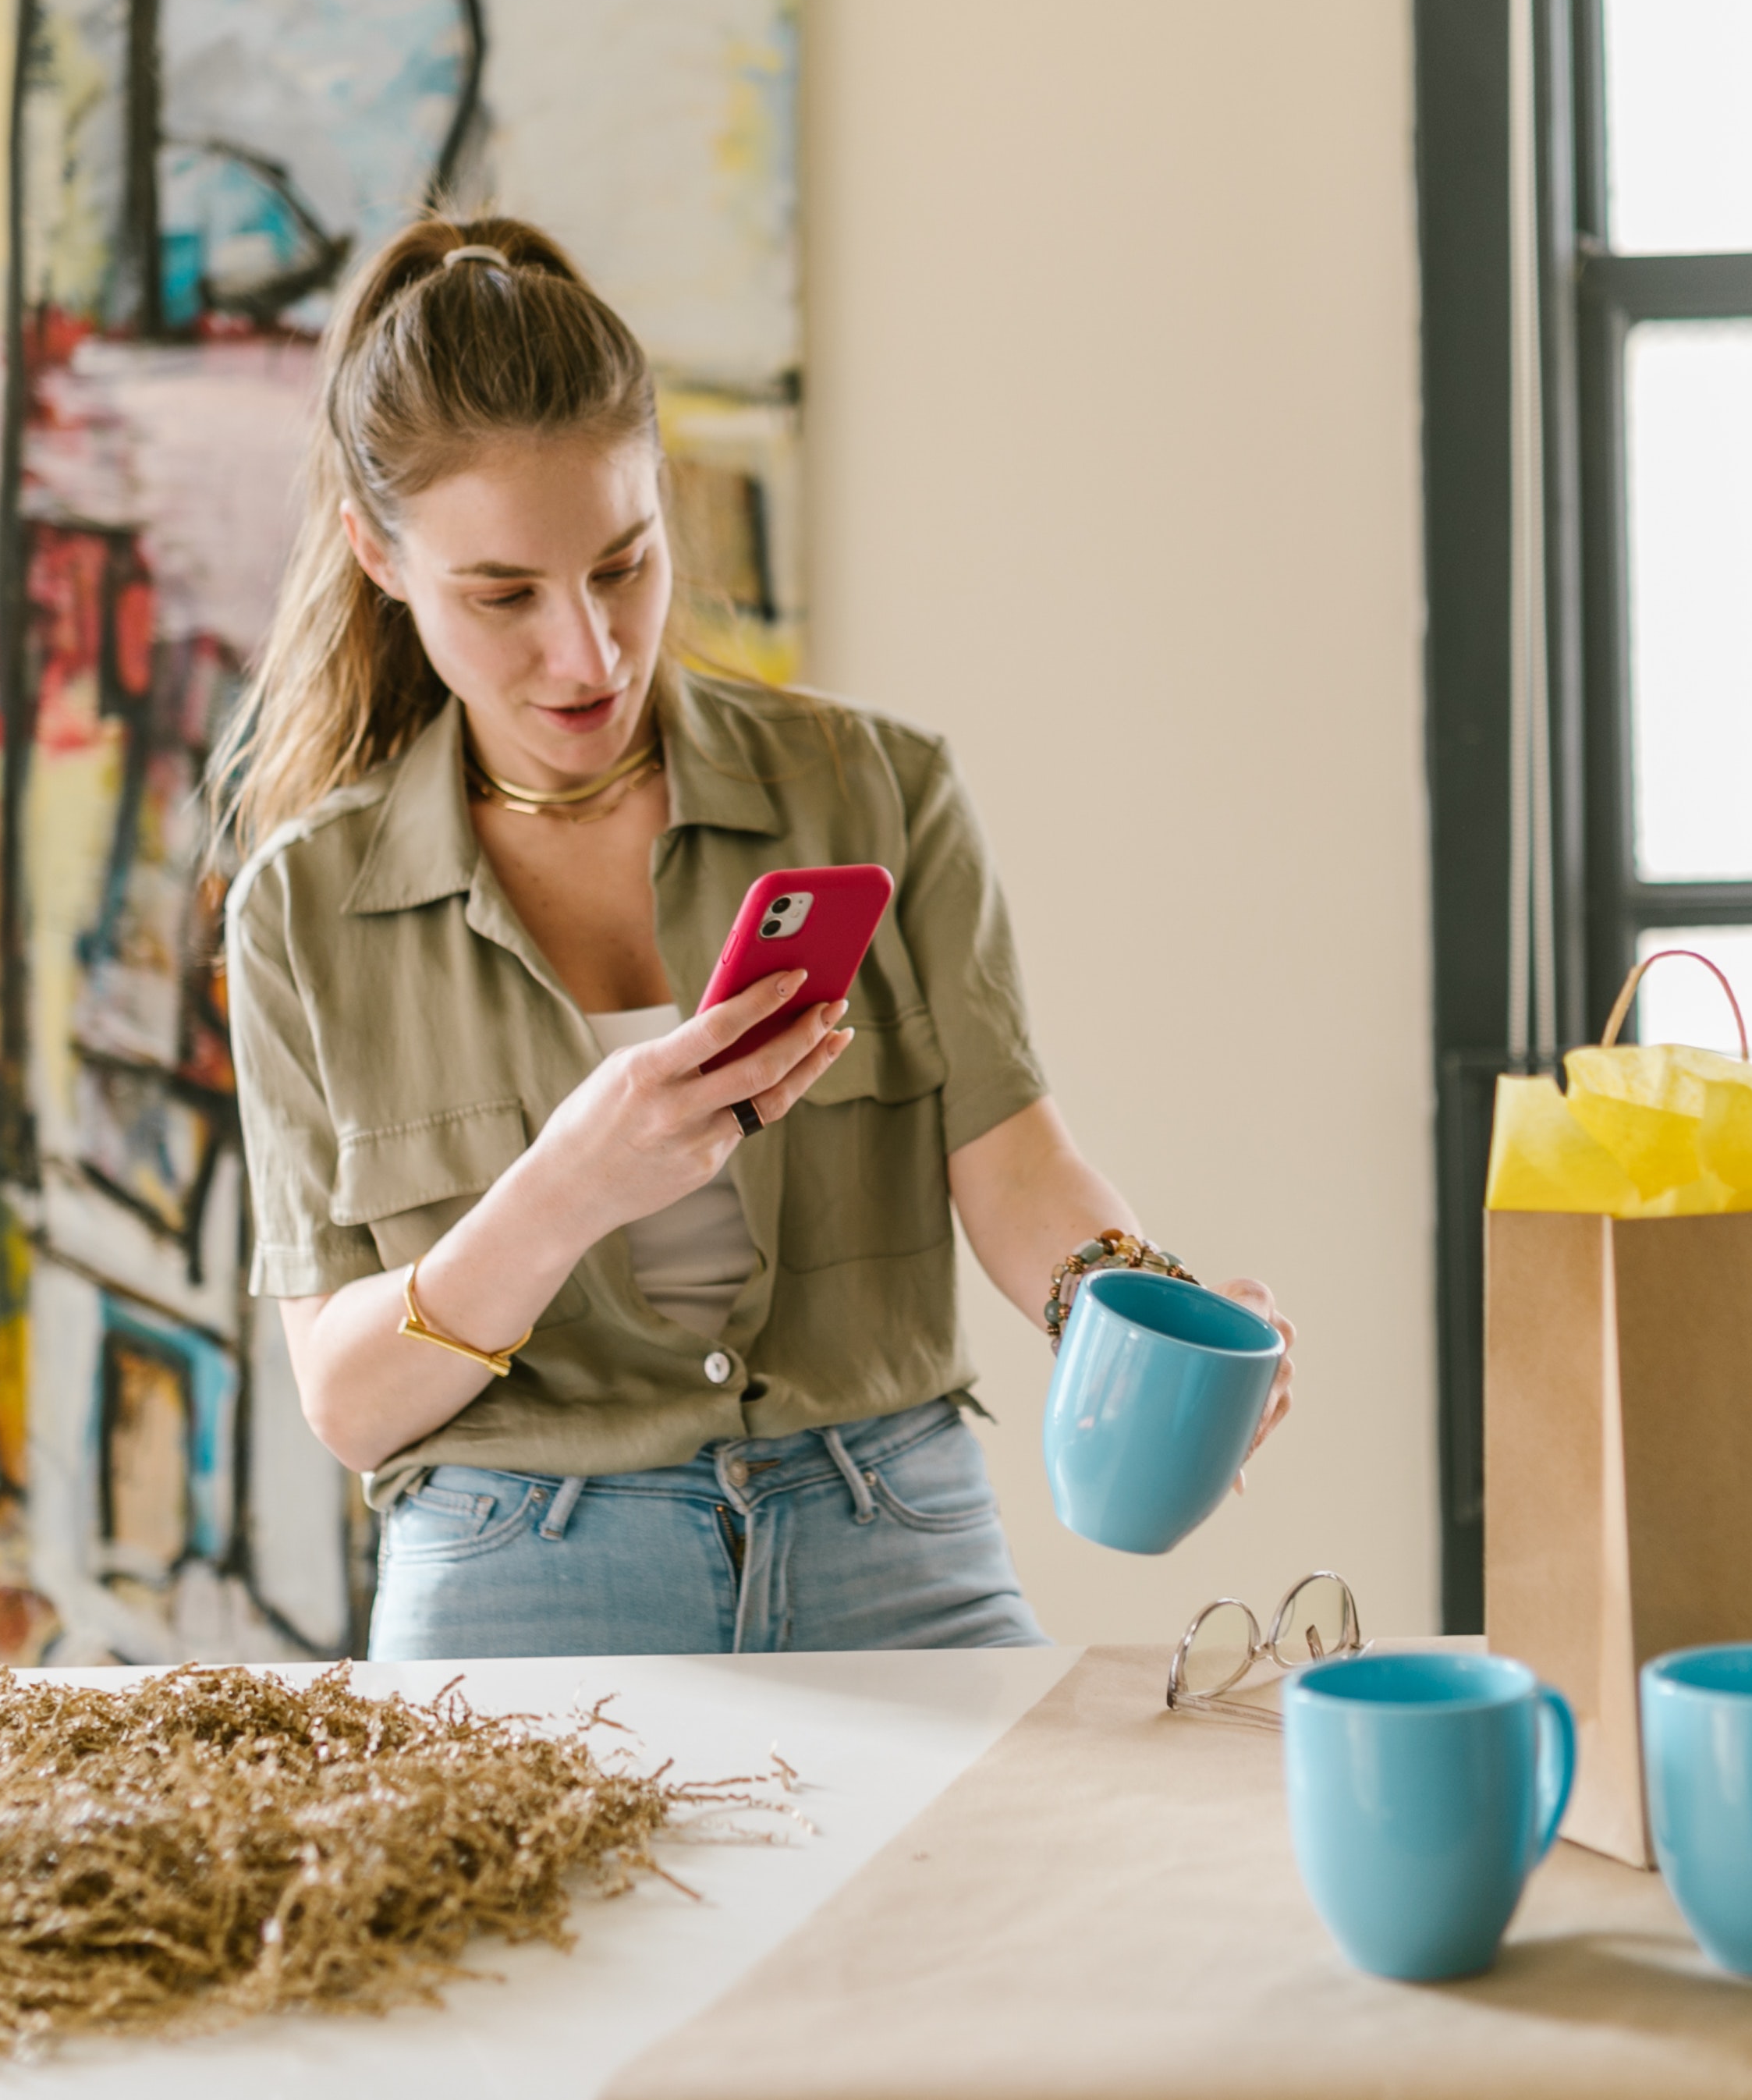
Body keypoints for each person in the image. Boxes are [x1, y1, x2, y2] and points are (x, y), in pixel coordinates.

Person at [217, 212, 1296, 1660]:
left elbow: (1014, 1162)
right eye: (504, 595)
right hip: (518, 1564)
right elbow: (348, 1403)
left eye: (623, 563)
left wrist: (1141, 1312)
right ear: (381, 558)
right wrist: (570, 1186)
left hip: (891, 1531)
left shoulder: (876, 790)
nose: (588, 651)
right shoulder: (302, 909)